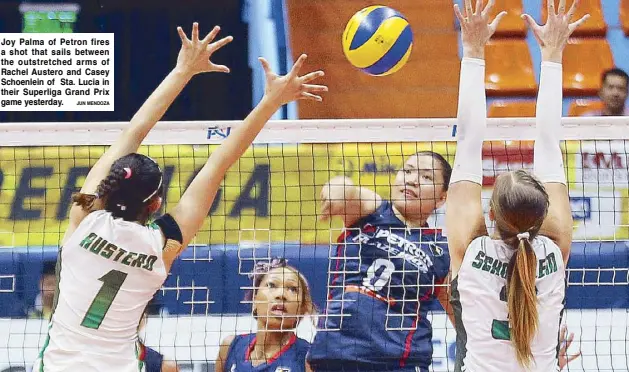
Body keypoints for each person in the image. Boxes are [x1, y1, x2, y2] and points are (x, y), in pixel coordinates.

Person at [34, 22, 327, 372]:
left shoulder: (84, 218)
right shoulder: (162, 244)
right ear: (156, 204)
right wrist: (270, 101)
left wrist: (181, 70)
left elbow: (132, 132)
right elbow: (218, 164)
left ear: (108, 189)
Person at [446, 0, 587, 371]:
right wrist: (554, 56)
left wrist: (473, 50)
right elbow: (550, 145)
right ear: (543, 215)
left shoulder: (471, 253)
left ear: (490, 213)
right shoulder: (554, 253)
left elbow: (467, 141)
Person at [306, 150, 452, 372]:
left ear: (442, 198)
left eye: (427, 177)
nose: (412, 180)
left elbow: (461, 314)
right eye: (408, 170)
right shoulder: (374, 211)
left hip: (401, 361)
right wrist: (336, 190)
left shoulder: (440, 250)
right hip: (339, 353)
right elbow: (347, 191)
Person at [216, 258, 316, 372]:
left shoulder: (309, 359)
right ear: (254, 300)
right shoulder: (230, 347)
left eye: (293, 289)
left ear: (301, 310)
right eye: (272, 285)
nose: (281, 295)